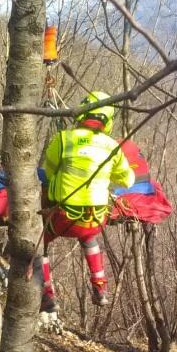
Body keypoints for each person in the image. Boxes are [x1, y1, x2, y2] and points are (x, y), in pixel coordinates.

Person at [40, 90, 134, 312]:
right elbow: (127, 180)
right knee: (90, 238)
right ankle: (100, 288)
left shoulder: (63, 139)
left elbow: (49, 173)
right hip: (94, 219)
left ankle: (47, 295)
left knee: (39, 242)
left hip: (62, 217)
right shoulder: (113, 147)